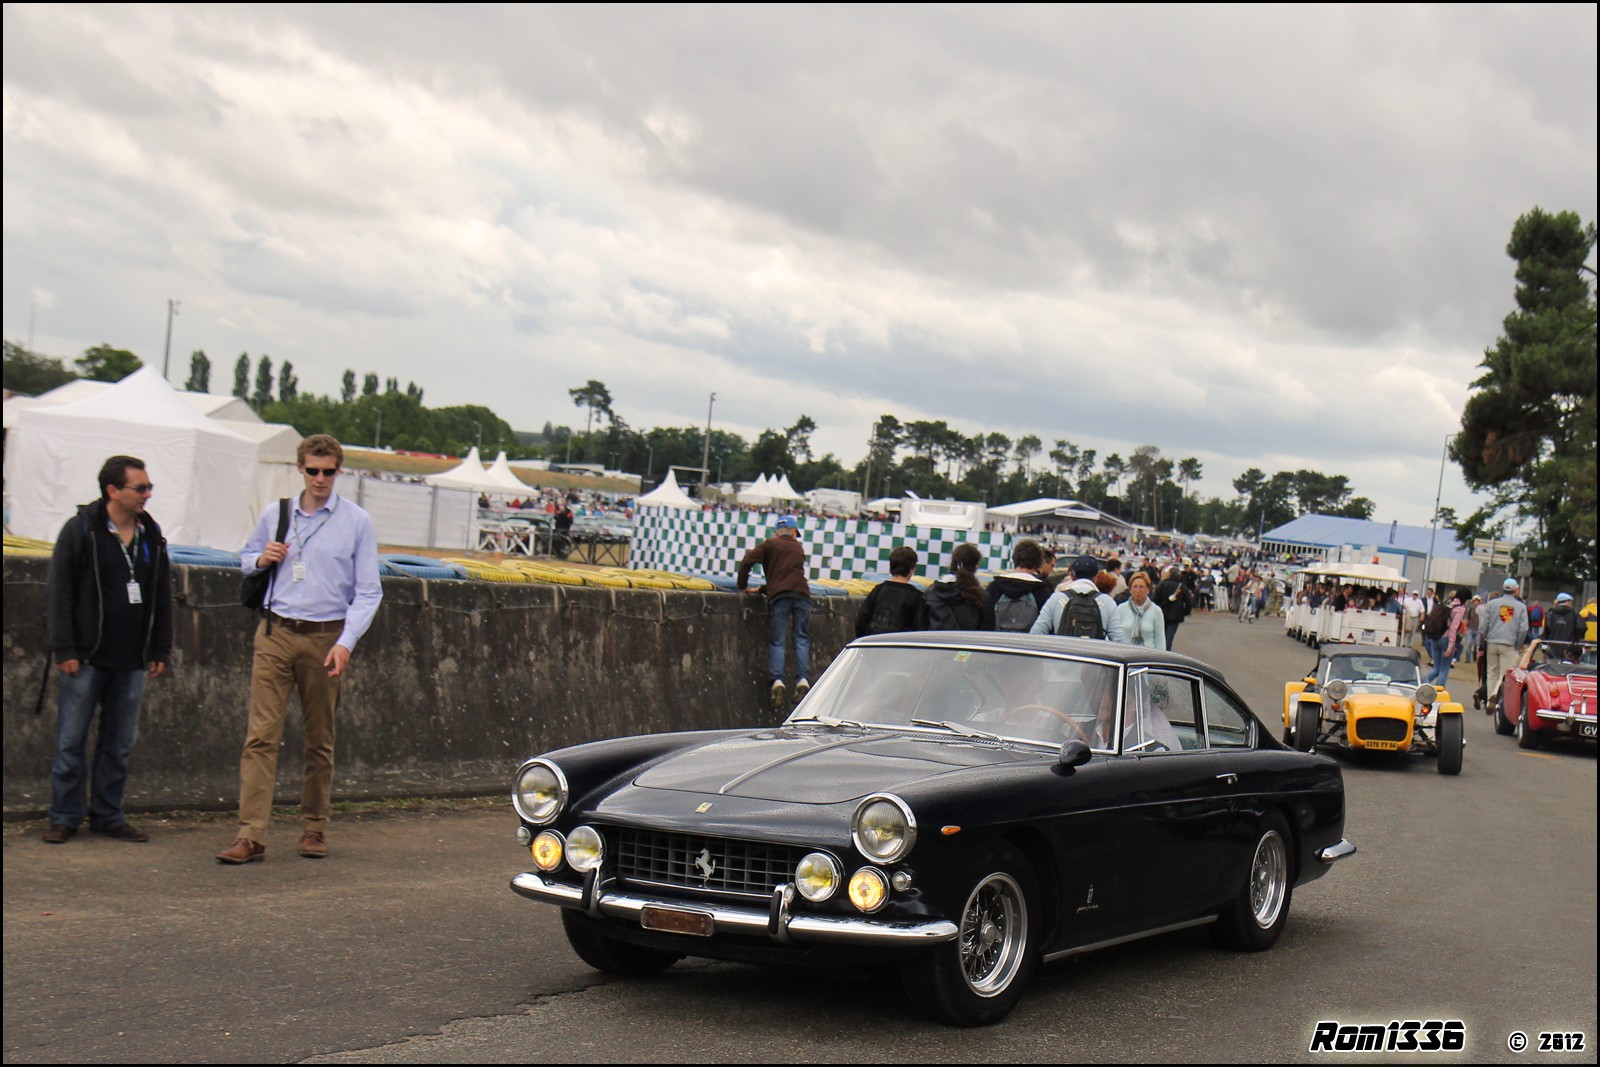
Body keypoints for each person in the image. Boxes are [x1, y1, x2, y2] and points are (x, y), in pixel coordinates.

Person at [217, 435, 382, 864]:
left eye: (328, 471)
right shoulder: (278, 513)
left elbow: (368, 591)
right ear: (300, 470)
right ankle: (250, 834)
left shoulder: (356, 521)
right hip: (275, 631)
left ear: (338, 471)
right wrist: (261, 559)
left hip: (325, 635)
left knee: (319, 738)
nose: (321, 479)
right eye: (313, 470)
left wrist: (346, 642)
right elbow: (245, 557)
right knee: (260, 737)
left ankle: (314, 827)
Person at [42, 456, 172, 844]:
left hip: (131, 657)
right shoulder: (82, 530)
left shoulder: (151, 534)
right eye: (141, 488)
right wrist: (64, 646)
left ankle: (107, 814)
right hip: (85, 657)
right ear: (113, 491)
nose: (148, 494)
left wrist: (159, 648)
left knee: (119, 744)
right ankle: (65, 815)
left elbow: (161, 594)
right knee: (71, 741)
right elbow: (59, 593)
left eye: (149, 487)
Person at [737, 515, 812, 708]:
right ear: (794, 532)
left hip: (780, 596)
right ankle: (802, 679)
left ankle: (777, 680)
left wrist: (742, 586)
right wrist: (763, 588)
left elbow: (747, 562)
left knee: (778, 641)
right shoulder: (798, 547)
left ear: (776, 532)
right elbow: (788, 573)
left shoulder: (770, 544)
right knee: (801, 638)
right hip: (802, 594)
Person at [1030, 555, 1126, 641]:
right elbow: (1119, 640)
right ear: (1096, 577)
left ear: (1071, 575)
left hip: (1063, 658)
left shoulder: (1056, 599)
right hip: (1094, 659)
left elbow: (1036, 635)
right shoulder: (1107, 602)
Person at [856, 546, 928, 637]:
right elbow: (920, 631)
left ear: (891, 566)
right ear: (911, 570)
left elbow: (861, 622)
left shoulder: (878, 590)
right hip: (900, 647)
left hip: (874, 645)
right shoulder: (916, 597)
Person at [1481, 578, 1529, 712]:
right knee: (1505, 674)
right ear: (1515, 590)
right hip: (1509, 643)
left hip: (1492, 641)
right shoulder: (1521, 607)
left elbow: (1483, 624)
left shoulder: (1492, 604)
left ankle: (1489, 698)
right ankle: (1496, 695)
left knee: (1491, 672)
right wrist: (1518, 644)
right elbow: (1523, 628)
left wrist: (1483, 639)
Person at [986, 539, 1052, 632]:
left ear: (1014, 559)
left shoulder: (995, 586)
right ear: (1038, 563)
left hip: (998, 643)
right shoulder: (1041, 589)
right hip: (1027, 643)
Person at [924, 543, 995, 631]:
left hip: (937, 643)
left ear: (952, 564)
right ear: (976, 567)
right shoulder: (981, 597)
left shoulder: (931, 592)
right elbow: (987, 631)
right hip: (966, 643)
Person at [1114, 572, 1166, 650]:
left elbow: (1160, 640)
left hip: (1148, 657)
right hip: (1125, 654)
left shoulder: (1156, 611)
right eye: (1135, 587)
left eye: (1141, 587)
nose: (1138, 590)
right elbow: (1115, 635)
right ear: (1130, 589)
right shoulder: (1121, 609)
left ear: (1148, 590)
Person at [1153, 566, 1192, 650]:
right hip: (1175, 615)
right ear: (1179, 575)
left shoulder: (1162, 584)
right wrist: (1184, 612)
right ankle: (1166, 654)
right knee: (1169, 637)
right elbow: (1189, 602)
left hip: (1162, 613)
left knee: (1160, 636)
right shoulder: (1182, 587)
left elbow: (1154, 599)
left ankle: (1158, 652)